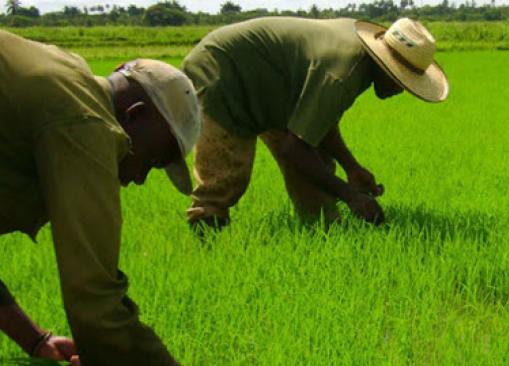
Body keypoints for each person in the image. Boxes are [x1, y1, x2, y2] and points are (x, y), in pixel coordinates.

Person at [0, 30, 201, 365]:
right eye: (151, 160)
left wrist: (35, 340)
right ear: (134, 114)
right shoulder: (83, 120)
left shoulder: (66, 76)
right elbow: (94, 300)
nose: (138, 179)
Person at [182, 17, 449, 231]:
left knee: (318, 177)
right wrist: (351, 196)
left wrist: (351, 168)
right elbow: (294, 148)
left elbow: (318, 123)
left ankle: (322, 235)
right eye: (400, 80)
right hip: (224, 72)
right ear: (385, 66)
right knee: (224, 180)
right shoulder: (343, 72)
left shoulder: (360, 61)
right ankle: (205, 246)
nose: (400, 89)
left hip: (275, 92)